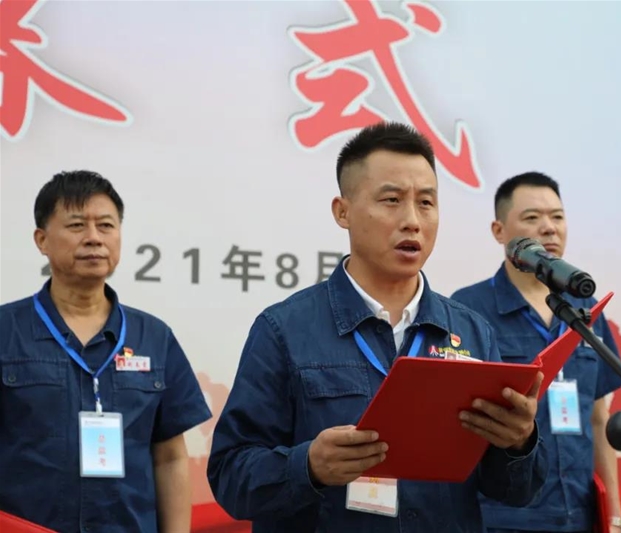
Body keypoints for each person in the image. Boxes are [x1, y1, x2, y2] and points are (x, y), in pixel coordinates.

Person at [208, 122, 548, 532]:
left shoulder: (472, 332)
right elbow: (230, 476)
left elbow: (515, 492)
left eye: (426, 202)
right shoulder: (283, 329)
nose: (412, 221)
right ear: (343, 211)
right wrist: (308, 466)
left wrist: (518, 443)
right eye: (391, 200)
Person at [0, 171, 212, 532]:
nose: (94, 238)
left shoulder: (154, 337)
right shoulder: (7, 330)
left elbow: (170, 458)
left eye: (106, 225)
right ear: (42, 240)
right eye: (77, 225)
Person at [451, 172, 621, 533]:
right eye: (532, 218)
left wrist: (614, 512)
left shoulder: (586, 309)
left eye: (557, 216)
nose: (549, 228)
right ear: (499, 231)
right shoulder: (467, 310)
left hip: (578, 516)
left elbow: (598, 419)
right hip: (500, 519)